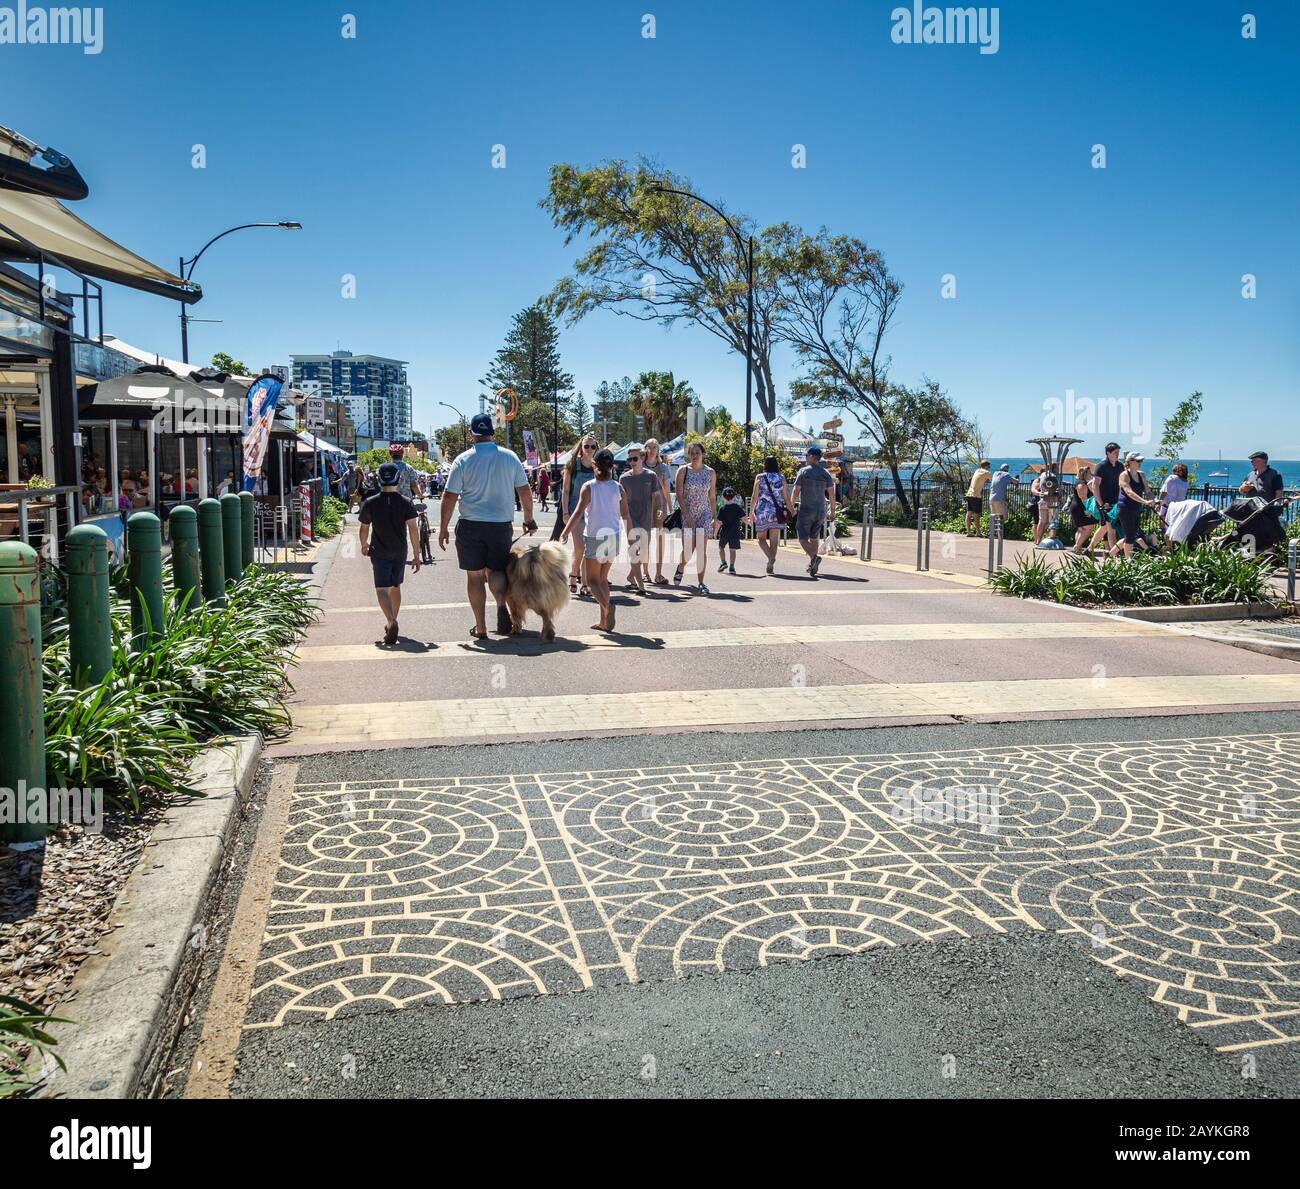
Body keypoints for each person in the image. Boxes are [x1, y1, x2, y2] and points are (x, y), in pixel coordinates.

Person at [439, 412, 535, 640]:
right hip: (500, 526)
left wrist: (443, 527)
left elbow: (449, 496)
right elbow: (524, 490)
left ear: (472, 434)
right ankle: (501, 603)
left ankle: (481, 626)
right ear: (492, 432)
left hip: (471, 525)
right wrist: (528, 518)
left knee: (474, 576)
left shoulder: (463, 460)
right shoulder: (510, 457)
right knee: (497, 570)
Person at [563, 447, 629, 632]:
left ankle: (608, 609)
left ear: (594, 464)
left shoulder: (589, 487)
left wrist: (565, 532)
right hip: (614, 536)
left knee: (591, 581)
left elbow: (577, 513)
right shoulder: (618, 487)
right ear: (612, 466)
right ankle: (604, 622)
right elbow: (626, 514)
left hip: (595, 537)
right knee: (602, 580)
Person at [359, 460, 421, 646]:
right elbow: (413, 529)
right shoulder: (405, 503)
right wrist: (417, 555)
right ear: (398, 479)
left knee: (381, 588)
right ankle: (393, 618)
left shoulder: (371, 502)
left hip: (379, 551)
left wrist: (364, 544)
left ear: (379, 479)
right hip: (400, 551)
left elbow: (364, 527)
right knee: (395, 586)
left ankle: (390, 620)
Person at [673, 440, 717, 593]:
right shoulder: (683, 471)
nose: (695, 456)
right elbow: (679, 495)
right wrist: (687, 515)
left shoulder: (710, 472)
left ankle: (701, 582)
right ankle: (681, 567)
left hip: (704, 514)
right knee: (688, 550)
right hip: (688, 513)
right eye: (692, 453)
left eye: (697, 453)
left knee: (701, 549)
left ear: (703, 454)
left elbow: (712, 496)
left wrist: (715, 518)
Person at [619, 445, 659, 594]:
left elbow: (657, 495)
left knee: (643, 551)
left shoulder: (651, 476)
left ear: (642, 458)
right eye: (629, 459)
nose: (632, 461)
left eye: (635, 458)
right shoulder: (624, 478)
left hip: (646, 518)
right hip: (630, 518)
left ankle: (631, 577)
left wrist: (660, 509)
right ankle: (640, 586)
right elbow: (620, 499)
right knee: (634, 550)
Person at [791, 445, 835, 577]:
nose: (805, 458)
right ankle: (812, 563)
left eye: (806, 456)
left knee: (803, 538)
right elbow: (831, 494)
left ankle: (814, 558)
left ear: (811, 457)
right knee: (814, 537)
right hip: (821, 510)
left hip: (806, 509)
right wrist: (832, 511)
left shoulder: (803, 471)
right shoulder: (825, 473)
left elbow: (795, 491)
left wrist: (791, 507)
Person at [562, 435, 598, 594]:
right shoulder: (572, 466)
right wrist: (565, 513)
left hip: (592, 512)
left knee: (588, 548)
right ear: (581, 448)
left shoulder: (598, 467)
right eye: (586, 446)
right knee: (580, 548)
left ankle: (583, 582)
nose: (589, 449)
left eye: (592, 447)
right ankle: (573, 575)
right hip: (575, 511)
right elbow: (565, 491)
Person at [749, 455, 790, 576]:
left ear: (765, 464)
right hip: (776, 512)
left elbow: (754, 496)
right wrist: (791, 509)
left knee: (761, 538)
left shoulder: (760, 477)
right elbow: (785, 497)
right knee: (774, 540)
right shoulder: (781, 477)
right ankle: (771, 560)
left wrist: (751, 511)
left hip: (762, 511)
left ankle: (770, 557)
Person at [643, 438, 674, 585]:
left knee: (660, 540)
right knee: (644, 540)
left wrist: (670, 507)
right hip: (643, 506)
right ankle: (645, 572)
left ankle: (659, 573)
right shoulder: (640, 465)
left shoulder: (663, 468)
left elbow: (667, 490)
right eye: (650, 446)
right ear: (646, 449)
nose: (653, 449)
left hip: (659, 506)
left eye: (656, 446)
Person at [1117, 451, 1156, 559]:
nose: (1140, 462)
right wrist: (1144, 501)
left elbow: (1148, 491)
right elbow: (1129, 492)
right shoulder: (1124, 475)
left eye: (1141, 460)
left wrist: (1152, 500)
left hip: (1136, 508)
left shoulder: (1141, 475)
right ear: (1130, 462)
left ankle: (1112, 553)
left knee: (1133, 535)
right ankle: (1128, 560)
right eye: (1138, 460)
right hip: (1125, 508)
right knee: (1130, 535)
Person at [1091, 442, 1123, 554]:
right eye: (1115, 452)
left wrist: (1120, 500)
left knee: (1105, 527)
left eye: (1118, 452)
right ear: (1108, 453)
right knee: (1111, 528)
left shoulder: (1120, 466)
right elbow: (1094, 486)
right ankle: (1113, 555)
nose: (1117, 454)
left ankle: (1089, 549)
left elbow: (1121, 484)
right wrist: (1100, 503)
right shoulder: (1101, 466)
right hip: (1104, 502)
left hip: (1115, 502)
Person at [1070, 464, 1098, 553]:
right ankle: (1077, 546)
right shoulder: (1082, 484)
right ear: (1085, 474)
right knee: (1088, 527)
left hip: (1078, 507)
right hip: (1081, 508)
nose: (1092, 474)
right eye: (1090, 473)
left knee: (1081, 529)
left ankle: (1078, 547)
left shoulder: (1082, 483)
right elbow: (1083, 497)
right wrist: (1088, 510)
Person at [715, 487, 744, 574]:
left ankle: (723, 562)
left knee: (721, 547)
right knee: (732, 550)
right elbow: (744, 518)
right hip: (735, 533)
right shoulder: (737, 507)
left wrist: (715, 532)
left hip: (724, 533)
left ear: (722, 497)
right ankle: (732, 567)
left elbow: (719, 522)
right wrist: (749, 522)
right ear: (734, 497)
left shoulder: (722, 509)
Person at [1158, 463, 1190, 531]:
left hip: (1168, 504)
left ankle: (1163, 538)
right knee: (1173, 524)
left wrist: (1159, 502)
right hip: (1179, 505)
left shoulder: (1172, 477)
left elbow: (1164, 491)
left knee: (1163, 520)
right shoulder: (1186, 482)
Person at [965, 460, 992, 536]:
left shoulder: (977, 470)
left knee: (969, 514)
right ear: (986, 466)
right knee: (976, 515)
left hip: (969, 494)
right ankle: (978, 532)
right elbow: (994, 480)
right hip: (976, 496)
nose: (989, 468)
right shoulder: (987, 472)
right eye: (989, 466)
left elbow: (979, 479)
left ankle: (969, 532)